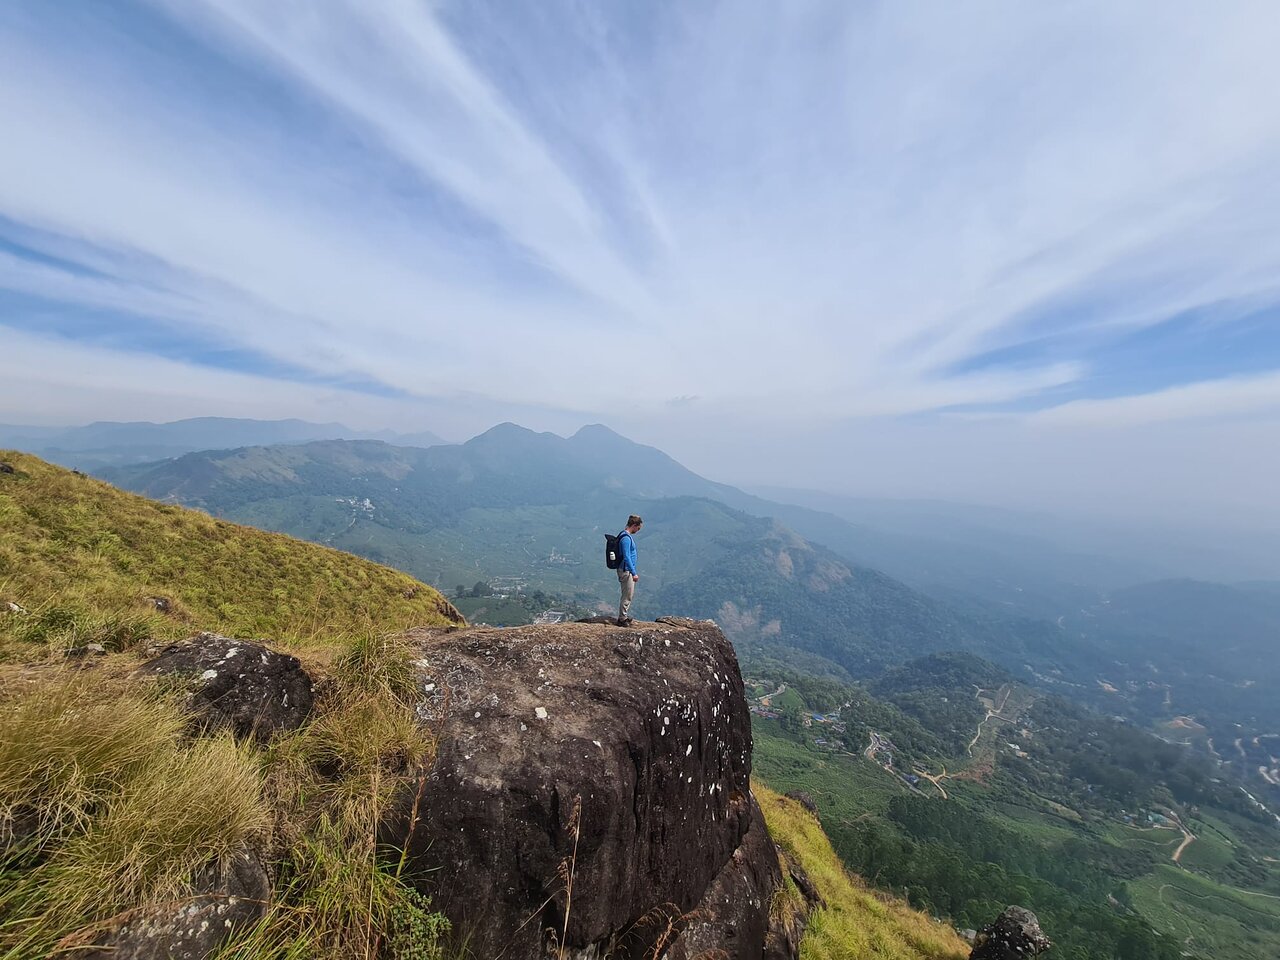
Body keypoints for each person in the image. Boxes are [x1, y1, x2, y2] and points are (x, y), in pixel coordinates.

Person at [616, 514, 642, 626]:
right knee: (627, 595)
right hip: (626, 570)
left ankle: (624, 616)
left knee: (627, 594)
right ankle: (622, 619)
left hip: (626, 569)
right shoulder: (626, 538)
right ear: (634, 525)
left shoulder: (624, 535)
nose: (638, 530)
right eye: (638, 528)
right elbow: (627, 557)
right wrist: (634, 573)